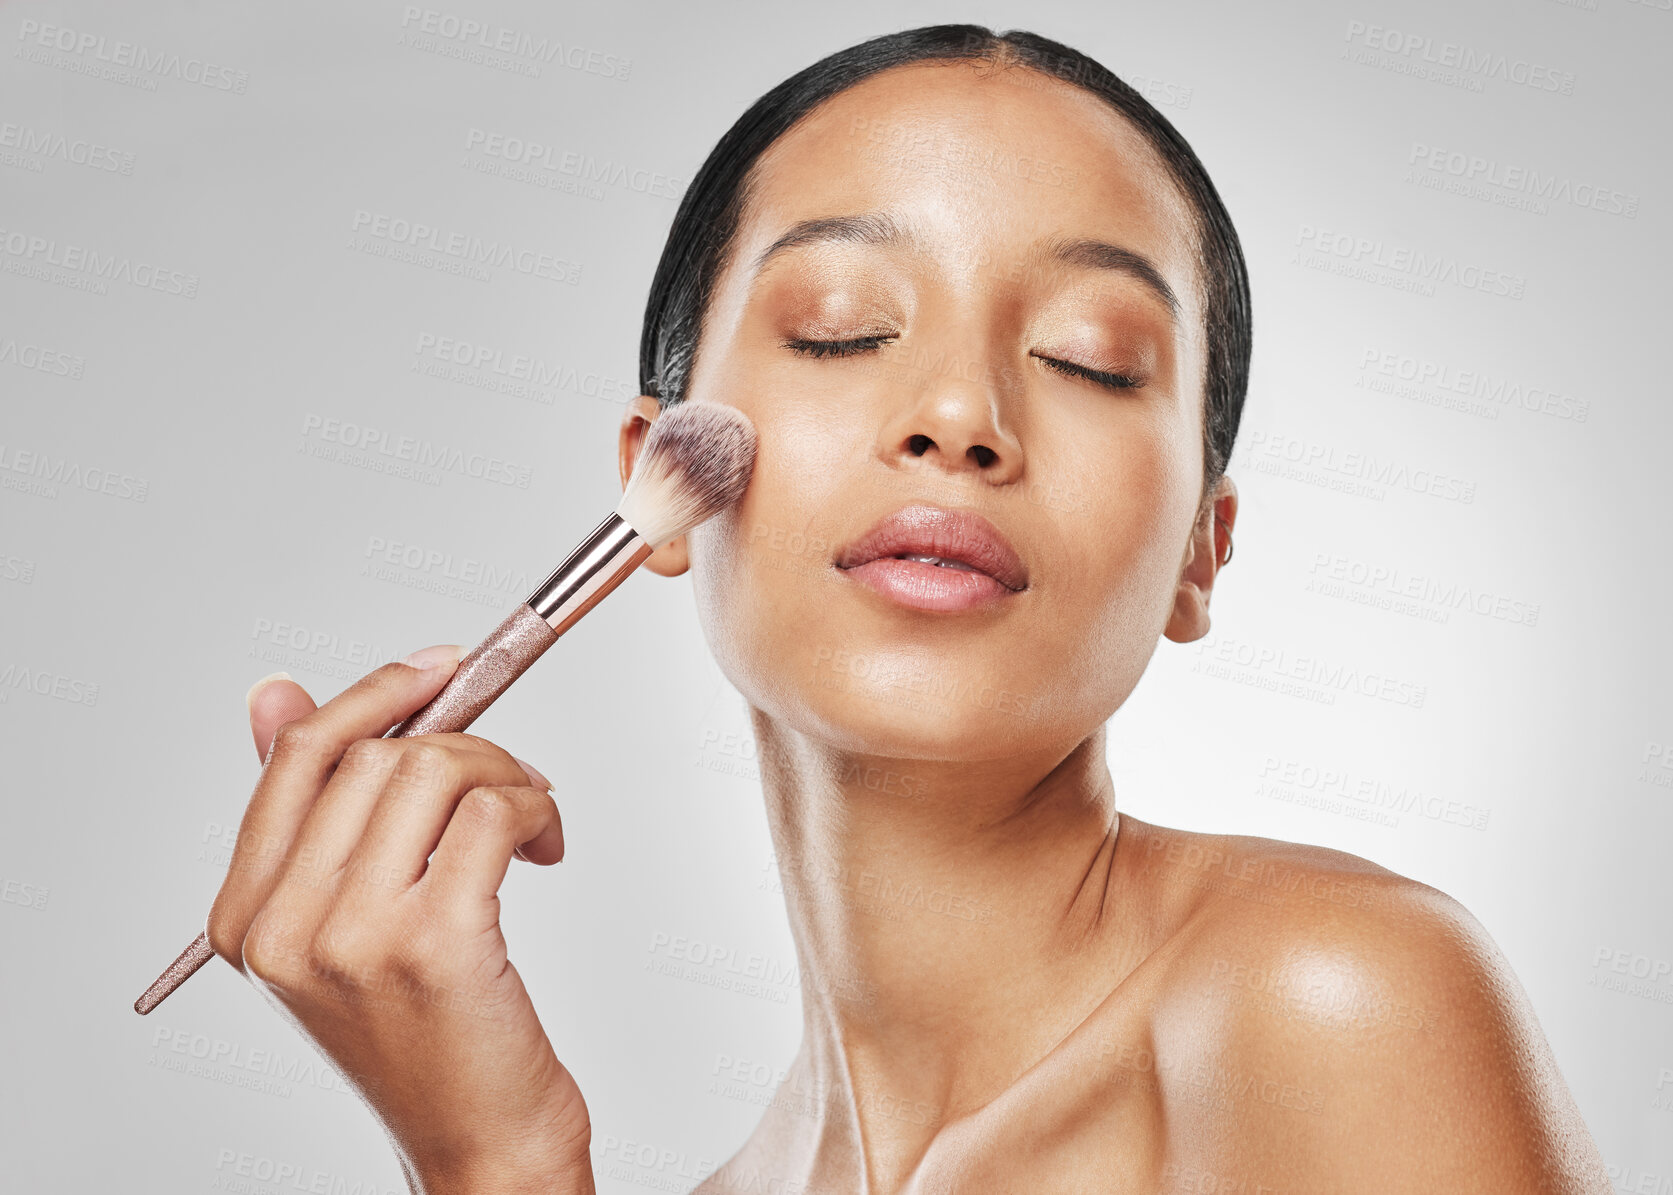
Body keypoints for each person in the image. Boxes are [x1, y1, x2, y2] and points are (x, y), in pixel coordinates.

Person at [207, 25, 1611, 1194]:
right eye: (839, 327)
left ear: (1202, 548)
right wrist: (491, 1163)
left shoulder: (1330, 1000)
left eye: (1091, 358)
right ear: (659, 483)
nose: (958, 415)